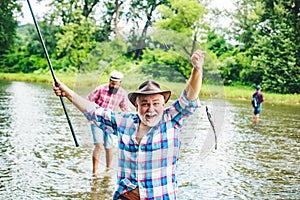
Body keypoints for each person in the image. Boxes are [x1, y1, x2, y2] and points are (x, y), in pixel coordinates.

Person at [53, 50, 206, 200]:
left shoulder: (171, 119)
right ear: (136, 106)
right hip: (127, 195)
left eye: (156, 103)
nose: (151, 109)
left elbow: (189, 97)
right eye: (145, 104)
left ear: (163, 103)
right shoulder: (125, 121)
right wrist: (66, 91)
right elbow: (93, 111)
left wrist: (197, 69)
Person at [87, 70, 129, 175]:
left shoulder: (122, 93)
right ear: (109, 81)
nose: (113, 85)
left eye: (115, 84)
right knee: (98, 145)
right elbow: (89, 100)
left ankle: (107, 168)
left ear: (120, 83)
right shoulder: (101, 89)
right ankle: (94, 172)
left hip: (110, 122)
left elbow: (125, 108)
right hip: (96, 121)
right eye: (112, 83)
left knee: (109, 147)